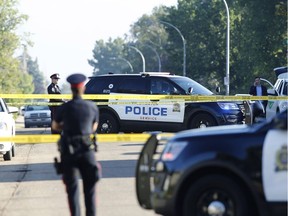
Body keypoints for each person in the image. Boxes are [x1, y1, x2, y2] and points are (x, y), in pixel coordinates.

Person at [52, 73, 100, 216]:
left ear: (71, 90)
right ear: (83, 89)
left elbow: (55, 126)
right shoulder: (92, 106)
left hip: (69, 151)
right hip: (86, 150)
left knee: (72, 191)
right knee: (90, 190)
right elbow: (94, 127)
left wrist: (66, 127)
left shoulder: (64, 108)